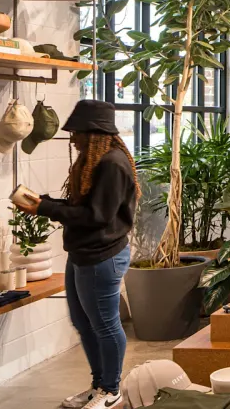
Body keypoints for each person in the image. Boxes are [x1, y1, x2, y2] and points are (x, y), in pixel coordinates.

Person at [14, 100, 139, 409]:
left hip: (101, 257)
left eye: (77, 132)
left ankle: (110, 391)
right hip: (85, 254)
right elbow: (85, 207)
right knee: (84, 323)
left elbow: (97, 216)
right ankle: (98, 385)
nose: (72, 138)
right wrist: (44, 202)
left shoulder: (112, 163)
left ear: (93, 133)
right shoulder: (97, 161)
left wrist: (45, 208)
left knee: (105, 325)